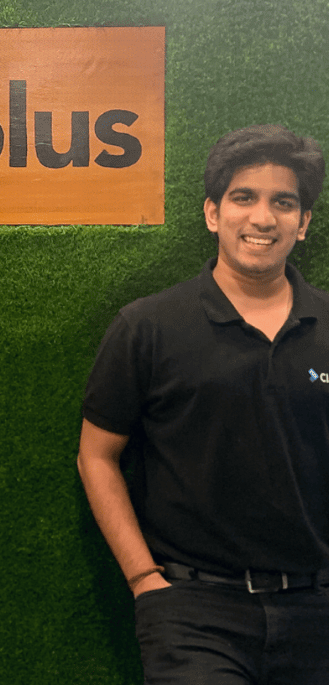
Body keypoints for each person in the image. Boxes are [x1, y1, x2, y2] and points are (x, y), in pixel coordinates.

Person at [78, 124, 329, 683]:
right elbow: (97, 456)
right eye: (244, 197)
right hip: (193, 614)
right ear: (213, 213)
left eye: (283, 202)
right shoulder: (148, 325)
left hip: (318, 608)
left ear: (304, 222)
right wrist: (144, 580)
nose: (262, 218)